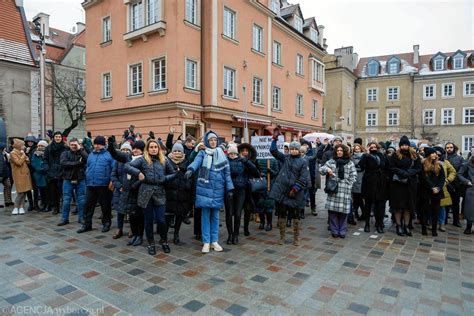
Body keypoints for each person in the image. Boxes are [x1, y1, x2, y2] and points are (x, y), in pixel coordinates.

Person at [125, 139, 177, 255]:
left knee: (161, 220)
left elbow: (173, 173)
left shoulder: (164, 160)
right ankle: (151, 243)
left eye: (155, 147)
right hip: (145, 192)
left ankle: (164, 241)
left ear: (158, 148)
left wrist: (165, 179)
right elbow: (127, 166)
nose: (153, 149)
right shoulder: (142, 159)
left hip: (160, 192)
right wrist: (138, 173)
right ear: (147, 149)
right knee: (148, 220)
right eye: (151, 147)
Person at [186, 131, 234, 253]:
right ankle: (206, 242)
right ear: (207, 141)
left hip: (218, 189)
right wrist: (191, 169)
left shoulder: (222, 154)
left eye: (215, 140)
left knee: (216, 217)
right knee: (205, 216)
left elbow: (227, 173)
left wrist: (230, 188)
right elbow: (196, 162)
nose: (213, 142)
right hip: (204, 188)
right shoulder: (202, 153)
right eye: (211, 140)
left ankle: (214, 241)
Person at [269, 129, 309, 246]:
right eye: (292, 149)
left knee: (295, 215)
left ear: (299, 150)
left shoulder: (303, 162)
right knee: (282, 214)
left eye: (296, 149)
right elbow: (273, 151)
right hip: (283, 191)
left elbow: (303, 177)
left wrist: (295, 189)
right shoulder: (285, 158)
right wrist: (274, 139)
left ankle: (296, 238)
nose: (294, 151)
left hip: (295, 193)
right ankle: (282, 236)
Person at [108, 137, 146, 246]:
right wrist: (111, 145)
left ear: (143, 150)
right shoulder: (128, 157)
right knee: (131, 215)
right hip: (128, 191)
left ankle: (139, 236)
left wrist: (135, 185)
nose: (135, 150)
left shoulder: (145, 159)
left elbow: (145, 176)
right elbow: (115, 154)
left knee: (139, 216)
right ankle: (134, 235)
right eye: (134, 148)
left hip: (138, 191)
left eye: (138, 149)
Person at [77, 136, 115, 234]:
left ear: (103, 144)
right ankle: (87, 225)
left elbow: (114, 169)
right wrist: (87, 175)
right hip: (90, 184)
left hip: (104, 185)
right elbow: (88, 166)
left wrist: (111, 181)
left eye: (99, 144)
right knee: (88, 205)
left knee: (105, 206)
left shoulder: (109, 155)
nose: (97, 146)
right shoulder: (91, 155)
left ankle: (106, 223)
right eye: (96, 144)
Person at [320, 144, 357, 238]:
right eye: (337, 150)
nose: (339, 152)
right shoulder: (331, 161)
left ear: (344, 151)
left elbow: (354, 175)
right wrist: (327, 169)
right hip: (334, 189)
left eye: (341, 150)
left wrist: (349, 184)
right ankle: (334, 231)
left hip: (345, 190)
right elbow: (321, 169)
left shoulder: (349, 163)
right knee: (333, 212)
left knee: (343, 213)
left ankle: (342, 231)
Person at [388, 135, 422, 236]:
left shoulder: (414, 155)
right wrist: (402, 173)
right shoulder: (395, 155)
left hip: (410, 184)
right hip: (398, 185)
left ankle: (406, 226)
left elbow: (418, 168)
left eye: (406, 145)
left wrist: (409, 172)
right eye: (402, 145)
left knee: (408, 207)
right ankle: (398, 225)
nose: (404, 147)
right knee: (398, 207)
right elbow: (391, 167)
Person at [225, 144, 259, 244]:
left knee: (238, 214)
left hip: (241, 191)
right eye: (230, 153)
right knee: (228, 214)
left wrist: (247, 161)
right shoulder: (225, 161)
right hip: (229, 191)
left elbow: (255, 171)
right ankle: (230, 235)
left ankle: (236, 235)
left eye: (234, 153)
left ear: (237, 153)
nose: (232, 155)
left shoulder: (243, 161)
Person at [165, 143, 194, 245]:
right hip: (169, 195)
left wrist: (187, 185)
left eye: (179, 151)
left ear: (182, 152)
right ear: (172, 152)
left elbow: (190, 178)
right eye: (175, 151)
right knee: (167, 217)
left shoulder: (186, 162)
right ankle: (164, 236)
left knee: (179, 216)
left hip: (182, 195)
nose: (177, 153)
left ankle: (176, 234)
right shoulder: (166, 162)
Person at [358, 142, 389, 233]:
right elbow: (361, 166)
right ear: (369, 148)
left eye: (375, 147)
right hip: (369, 182)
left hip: (381, 183)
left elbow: (386, 167)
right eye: (371, 147)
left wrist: (385, 178)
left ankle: (379, 224)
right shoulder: (366, 156)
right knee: (368, 204)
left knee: (380, 205)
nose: (373, 148)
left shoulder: (382, 156)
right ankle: (367, 224)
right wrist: (366, 154)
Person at [58, 138, 88, 225]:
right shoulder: (65, 153)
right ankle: (64, 218)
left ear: (78, 144)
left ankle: (81, 218)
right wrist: (78, 163)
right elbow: (64, 163)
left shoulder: (82, 152)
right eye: (72, 145)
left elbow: (87, 159)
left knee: (81, 200)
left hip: (80, 179)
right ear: (69, 145)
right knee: (66, 200)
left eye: (75, 145)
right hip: (67, 179)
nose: (73, 146)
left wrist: (80, 149)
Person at [419, 147, 445, 236]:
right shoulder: (423, 165)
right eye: (432, 153)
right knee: (424, 210)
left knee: (436, 211)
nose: (435, 154)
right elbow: (423, 178)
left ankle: (434, 229)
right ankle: (424, 228)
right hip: (426, 190)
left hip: (437, 191)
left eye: (435, 153)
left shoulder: (439, 165)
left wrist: (438, 187)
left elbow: (442, 178)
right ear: (428, 155)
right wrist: (432, 187)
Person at [109, 142, 132, 238]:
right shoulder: (117, 162)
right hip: (120, 190)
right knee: (119, 210)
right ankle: (119, 229)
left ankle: (132, 228)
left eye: (127, 150)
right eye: (123, 150)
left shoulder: (132, 161)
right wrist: (119, 186)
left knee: (131, 210)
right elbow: (113, 175)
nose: (125, 152)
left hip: (130, 190)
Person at [44, 131, 67, 214]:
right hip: (52, 172)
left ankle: (64, 208)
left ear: (61, 138)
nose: (58, 138)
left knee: (63, 191)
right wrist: (47, 169)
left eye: (59, 137)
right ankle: (56, 208)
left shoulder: (65, 147)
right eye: (56, 137)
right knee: (54, 192)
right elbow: (45, 159)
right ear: (53, 138)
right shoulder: (48, 148)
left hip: (62, 172)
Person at [434, 146, 456, 232]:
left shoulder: (446, 162)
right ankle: (432, 223)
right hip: (432, 187)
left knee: (442, 207)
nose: (437, 156)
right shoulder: (429, 162)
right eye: (436, 154)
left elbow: (453, 172)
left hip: (442, 187)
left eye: (439, 155)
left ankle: (441, 224)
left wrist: (447, 180)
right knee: (431, 207)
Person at [444, 142, 465, 227]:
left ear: (454, 148)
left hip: (456, 185)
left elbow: (461, 172)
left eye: (451, 147)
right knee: (445, 204)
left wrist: (457, 184)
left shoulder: (460, 159)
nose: (449, 149)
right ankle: (444, 220)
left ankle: (456, 221)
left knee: (456, 204)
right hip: (445, 184)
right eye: (447, 147)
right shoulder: (443, 157)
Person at [256, 156, 279, 232]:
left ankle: (269, 223)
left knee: (269, 204)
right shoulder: (258, 158)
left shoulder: (273, 159)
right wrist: (259, 173)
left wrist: (270, 171)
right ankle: (262, 222)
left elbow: (276, 172)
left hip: (270, 184)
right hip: (260, 183)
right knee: (260, 204)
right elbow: (255, 169)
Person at [10, 139, 32, 215]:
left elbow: (28, 161)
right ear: (18, 145)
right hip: (18, 175)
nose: (24, 146)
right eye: (22, 145)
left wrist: (25, 156)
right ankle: (16, 207)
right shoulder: (13, 153)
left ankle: (21, 207)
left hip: (25, 174)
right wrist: (23, 155)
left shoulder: (21, 152)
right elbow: (18, 163)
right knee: (20, 192)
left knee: (25, 191)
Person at [30, 140, 48, 212]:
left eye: (42, 146)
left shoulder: (47, 153)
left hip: (45, 174)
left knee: (45, 190)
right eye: (39, 145)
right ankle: (37, 204)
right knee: (37, 190)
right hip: (37, 174)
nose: (40, 147)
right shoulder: (34, 153)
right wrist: (39, 169)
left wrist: (45, 169)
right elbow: (33, 163)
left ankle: (45, 203)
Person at [457, 155, 474, 234]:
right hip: (471, 189)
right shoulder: (467, 164)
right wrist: (467, 181)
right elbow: (459, 174)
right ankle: (468, 227)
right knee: (470, 209)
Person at [350, 144, 364, 224]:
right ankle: (356, 214)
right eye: (356, 149)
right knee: (356, 198)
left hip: (362, 178)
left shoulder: (364, 156)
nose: (357, 150)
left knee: (361, 198)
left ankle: (363, 214)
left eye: (358, 149)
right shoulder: (351, 158)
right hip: (355, 179)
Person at [0, 143, 13, 208]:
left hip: (5, 174)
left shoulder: (5, 154)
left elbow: (7, 164)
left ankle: (8, 202)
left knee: (8, 186)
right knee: (8, 186)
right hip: (1, 174)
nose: (5, 148)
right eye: (4, 147)